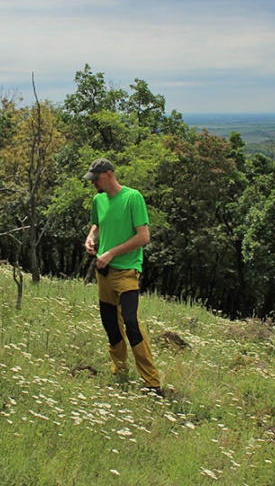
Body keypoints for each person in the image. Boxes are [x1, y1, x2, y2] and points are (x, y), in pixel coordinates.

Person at [83, 158, 162, 395]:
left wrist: (111, 253)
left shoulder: (132, 197)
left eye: (96, 179)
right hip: (104, 273)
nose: (93, 184)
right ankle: (119, 369)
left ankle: (152, 383)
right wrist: (90, 238)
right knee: (110, 323)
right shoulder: (98, 200)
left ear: (109, 175)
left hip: (127, 271)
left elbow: (143, 237)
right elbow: (97, 225)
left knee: (131, 322)